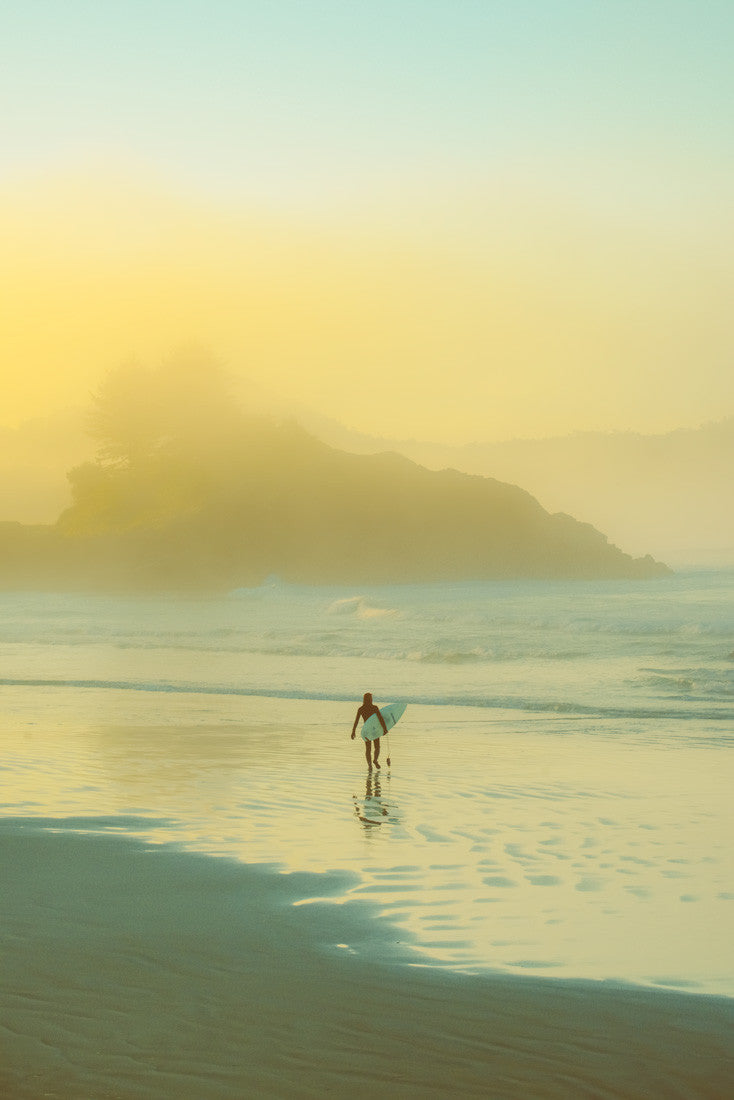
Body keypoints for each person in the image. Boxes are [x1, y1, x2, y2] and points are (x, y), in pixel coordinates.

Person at [351, 692, 388, 769]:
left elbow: (356, 721)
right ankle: (375, 760)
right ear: (369, 699)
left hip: (366, 730)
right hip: (374, 729)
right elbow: (380, 718)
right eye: (371, 698)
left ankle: (370, 765)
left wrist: (353, 731)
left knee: (368, 749)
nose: (372, 699)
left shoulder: (361, 709)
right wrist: (384, 728)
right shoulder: (374, 708)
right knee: (377, 747)